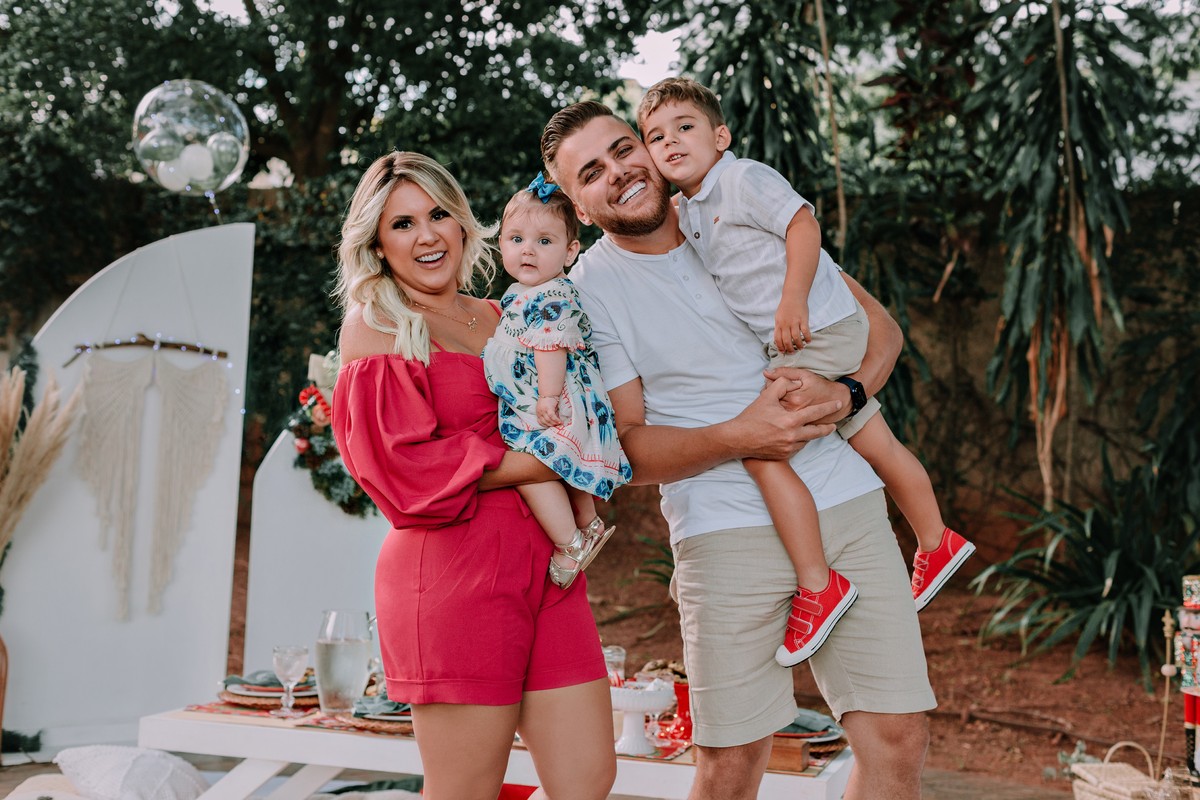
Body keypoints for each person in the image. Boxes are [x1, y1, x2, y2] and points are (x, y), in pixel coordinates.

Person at [541, 102, 936, 800]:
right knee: (731, 764)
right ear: (577, 206)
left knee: (898, 739)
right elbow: (628, 449)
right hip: (722, 527)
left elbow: (880, 328)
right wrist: (740, 436)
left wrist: (846, 393)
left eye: (624, 148)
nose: (620, 172)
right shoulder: (588, 293)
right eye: (592, 172)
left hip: (843, 499)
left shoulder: (734, 203)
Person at [635, 77, 975, 666]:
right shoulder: (691, 207)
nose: (670, 142)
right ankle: (935, 538)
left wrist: (792, 300)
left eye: (685, 127)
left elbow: (802, 224)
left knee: (761, 446)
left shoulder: (742, 179)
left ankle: (819, 585)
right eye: (655, 137)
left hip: (814, 330)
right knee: (874, 439)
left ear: (721, 136)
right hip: (820, 336)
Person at [330, 151, 615, 800]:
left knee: (587, 779)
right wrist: (556, 459)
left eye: (437, 214)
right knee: (466, 789)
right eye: (402, 224)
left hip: (549, 567)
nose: (426, 235)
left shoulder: (504, 312)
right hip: (453, 573)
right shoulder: (377, 325)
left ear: (462, 222)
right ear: (377, 243)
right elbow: (402, 468)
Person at [482, 174, 632, 589]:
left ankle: (570, 543)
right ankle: (588, 523)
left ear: (570, 252)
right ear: (501, 244)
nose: (527, 250)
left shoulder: (551, 295)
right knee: (563, 465)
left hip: (553, 398)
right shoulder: (522, 291)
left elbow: (551, 349)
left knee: (533, 469)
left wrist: (547, 397)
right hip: (544, 396)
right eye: (516, 239)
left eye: (544, 241)